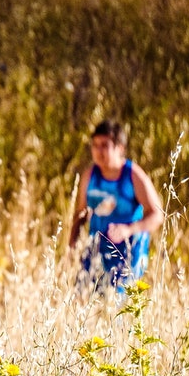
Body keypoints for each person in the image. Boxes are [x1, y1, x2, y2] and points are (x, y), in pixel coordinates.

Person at [69, 119, 164, 293]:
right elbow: (81, 213)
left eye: (105, 145)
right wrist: (72, 244)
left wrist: (128, 230)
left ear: (120, 148)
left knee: (116, 308)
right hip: (96, 248)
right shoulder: (90, 176)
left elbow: (157, 215)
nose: (99, 151)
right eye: (95, 145)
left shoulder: (133, 176)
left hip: (128, 253)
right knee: (82, 298)